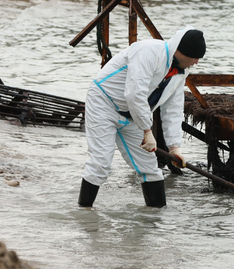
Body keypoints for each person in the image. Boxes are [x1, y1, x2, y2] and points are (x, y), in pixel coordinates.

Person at [79, 27, 206, 208]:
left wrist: (174, 147)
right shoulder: (149, 51)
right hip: (104, 103)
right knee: (101, 163)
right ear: (181, 51)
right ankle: (84, 214)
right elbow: (134, 94)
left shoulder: (180, 72)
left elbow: (173, 109)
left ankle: (155, 223)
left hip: (133, 116)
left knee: (149, 168)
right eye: (194, 57)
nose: (196, 62)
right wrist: (147, 130)